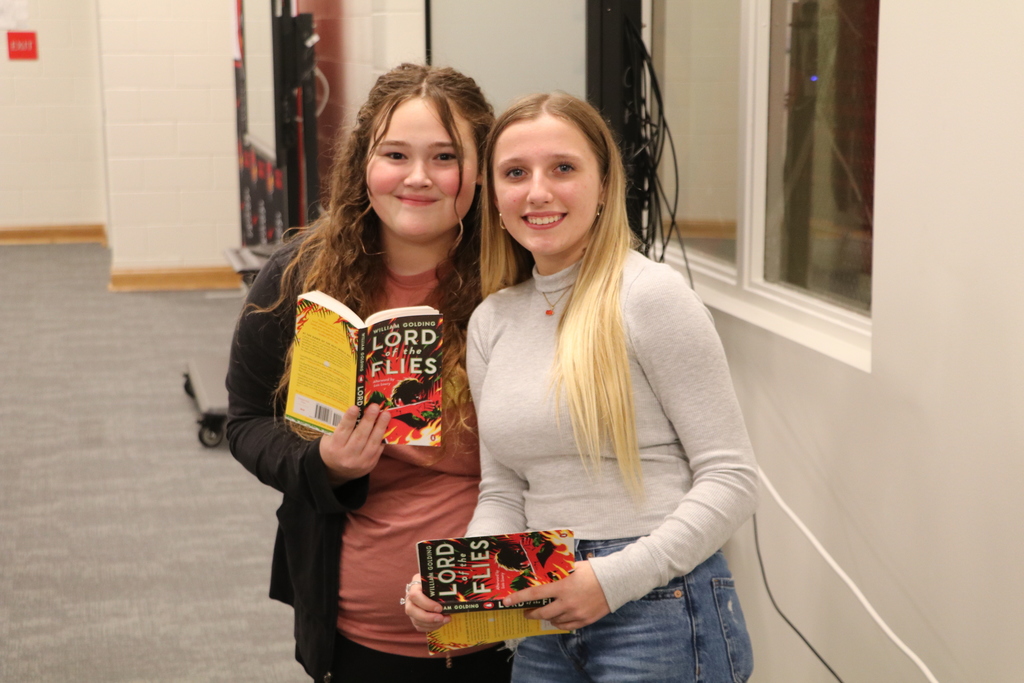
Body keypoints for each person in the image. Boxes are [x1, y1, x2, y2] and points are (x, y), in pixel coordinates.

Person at [405, 92, 760, 682]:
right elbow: (503, 491)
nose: (537, 191)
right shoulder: (494, 319)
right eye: (515, 173)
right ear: (494, 197)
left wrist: (609, 580)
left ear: (603, 186)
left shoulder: (649, 295)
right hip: (544, 608)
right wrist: (459, 584)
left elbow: (733, 480)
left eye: (563, 168)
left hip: (660, 606)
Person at [226, 63, 512, 682]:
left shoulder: (515, 277)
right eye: (395, 154)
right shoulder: (300, 274)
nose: (417, 177)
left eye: (444, 156)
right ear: (364, 163)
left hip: (505, 627)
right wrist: (322, 463)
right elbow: (246, 422)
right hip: (355, 637)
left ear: (480, 169)